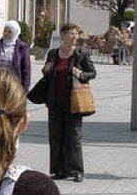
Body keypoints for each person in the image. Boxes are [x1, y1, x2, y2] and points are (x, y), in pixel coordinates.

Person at [41, 23, 96, 182]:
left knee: (74, 136)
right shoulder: (53, 54)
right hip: (55, 100)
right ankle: (58, 170)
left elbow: (92, 72)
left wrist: (81, 74)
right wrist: (46, 68)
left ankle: (76, 170)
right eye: (71, 34)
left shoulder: (81, 54)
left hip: (74, 100)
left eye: (76, 34)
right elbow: (46, 73)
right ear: (63, 35)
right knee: (56, 136)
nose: (75, 37)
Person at [0, 19, 31, 91]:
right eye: (5, 30)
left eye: (9, 32)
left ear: (15, 33)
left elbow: (26, 70)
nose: (6, 33)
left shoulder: (22, 48)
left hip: (13, 85)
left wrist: (24, 89)